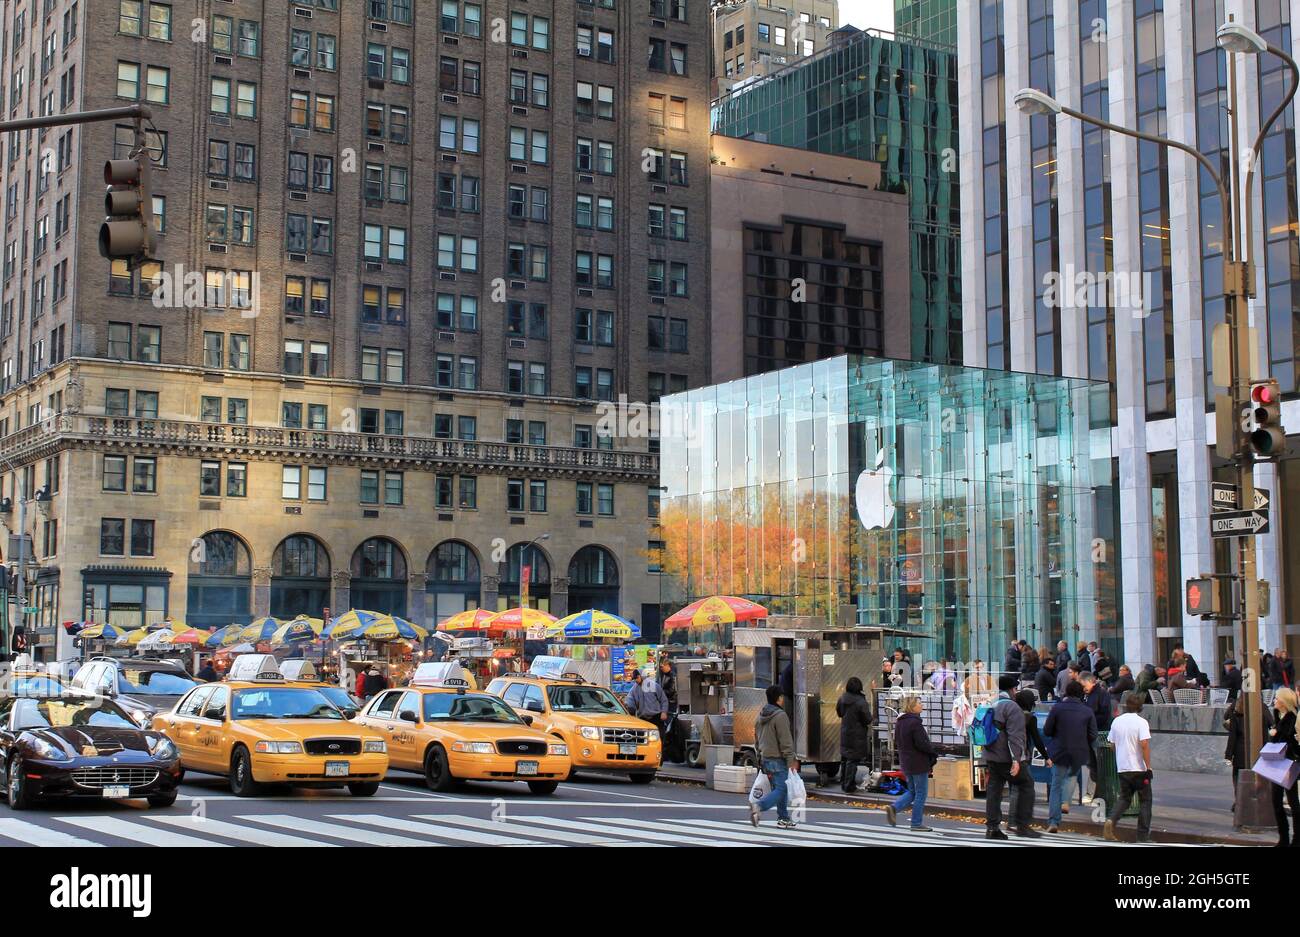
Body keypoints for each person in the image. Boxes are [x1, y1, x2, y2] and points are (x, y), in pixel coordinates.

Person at [984, 674, 1039, 839]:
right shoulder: (1012, 707)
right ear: (1012, 689)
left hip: (991, 755)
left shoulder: (992, 704)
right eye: (1015, 688)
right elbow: (1015, 736)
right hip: (1006, 757)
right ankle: (1022, 825)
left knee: (994, 790)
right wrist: (1016, 760)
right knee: (1026, 784)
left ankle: (992, 828)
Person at [1043, 681, 1097, 833]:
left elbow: (1047, 730)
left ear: (1066, 692)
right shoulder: (1087, 711)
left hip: (1059, 750)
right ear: (1081, 694)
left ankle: (1053, 821)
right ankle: (1066, 801)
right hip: (1079, 751)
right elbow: (1093, 734)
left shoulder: (1057, 708)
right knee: (1071, 777)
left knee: (1056, 785)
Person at [1104, 694, 1154, 842]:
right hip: (1138, 768)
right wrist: (1148, 766)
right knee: (1145, 800)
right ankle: (1142, 835)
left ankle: (1111, 820)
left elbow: (1112, 744)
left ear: (1126, 705)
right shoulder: (1141, 722)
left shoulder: (1117, 721)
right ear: (1140, 707)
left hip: (1123, 767)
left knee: (1124, 799)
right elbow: (1144, 744)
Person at [751, 685, 798, 829]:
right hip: (778, 758)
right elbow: (786, 740)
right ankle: (759, 807)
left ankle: (783, 818)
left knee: (780, 788)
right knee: (782, 789)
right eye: (782, 696)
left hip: (766, 757)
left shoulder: (761, 715)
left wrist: (759, 756)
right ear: (778, 698)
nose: (783, 698)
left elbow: (757, 739)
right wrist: (791, 759)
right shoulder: (780, 716)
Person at [885, 695, 935, 831]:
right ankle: (916, 823)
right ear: (912, 706)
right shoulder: (915, 723)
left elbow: (897, 741)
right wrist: (932, 752)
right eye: (919, 702)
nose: (922, 704)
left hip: (906, 761)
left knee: (912, 791)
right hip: (918, 762)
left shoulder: (900, 722)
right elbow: (922, 743)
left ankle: (894, 807)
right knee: (921, 793)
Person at [1223, 693, 1271, 812]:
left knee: (1238, 778)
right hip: (1259, 750)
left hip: (1240, 752)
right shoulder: (1262, 708)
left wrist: (1228, 755)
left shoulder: (1236, 710)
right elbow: (1271, 722)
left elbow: (1232, 736)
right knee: (1258, 778)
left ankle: (1239, 802)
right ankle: (1258, 801)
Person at [1267, 687, 1300, 846]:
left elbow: (1292, 742)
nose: (1274, 701)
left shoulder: (1292, 718)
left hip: (1289, 763)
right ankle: (1283, 838)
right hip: (1276, 764)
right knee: (1276, 801)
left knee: (1294, 803)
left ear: (1284, 702)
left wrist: (1276, 731)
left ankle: (1297, 839)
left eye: (1277, 698)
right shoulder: (1277, 716)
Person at [836, 676, 873, 793]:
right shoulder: (861, 702)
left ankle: (843, 782)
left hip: (845, 731)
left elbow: (840, 713)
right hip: (857, 734)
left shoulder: (842, 699)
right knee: (852, 760)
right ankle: (848, 785)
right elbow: (867, 719)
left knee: (845, 758)